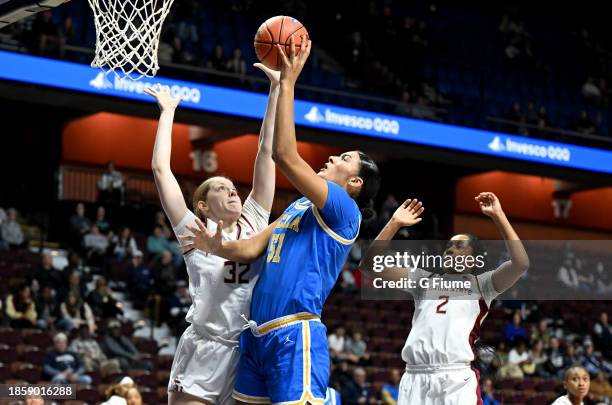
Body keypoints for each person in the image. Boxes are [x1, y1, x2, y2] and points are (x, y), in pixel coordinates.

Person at [183, 37, 380, 404]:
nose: (333, 157)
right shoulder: (300, 207)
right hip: (256, 336)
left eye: (344, 158)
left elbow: (284, 155)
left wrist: (287, 84)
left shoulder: (343, 208)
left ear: (355, 183)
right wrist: (217, 246)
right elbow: (253, 246)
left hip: (295, 333)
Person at [145, 53, 280, 405]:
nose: (232, 189)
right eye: (220, 188)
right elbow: (161, 171)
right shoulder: (194, 231)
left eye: (232, 186)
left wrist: (277, 90)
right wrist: (168, 112)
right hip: (206, 348)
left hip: (248, 351)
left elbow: (266, 152)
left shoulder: (253, 220)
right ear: (203, 206)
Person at [361, 192, 529, 405]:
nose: (450, 250)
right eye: (448, 246)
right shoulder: (423, 279)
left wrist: (498, 215)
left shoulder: (483, 285)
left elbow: (521, 264)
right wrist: (394, 223)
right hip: (414, 377)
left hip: (455, 378)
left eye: (459, 246)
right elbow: (369, 266)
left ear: (474, 259)